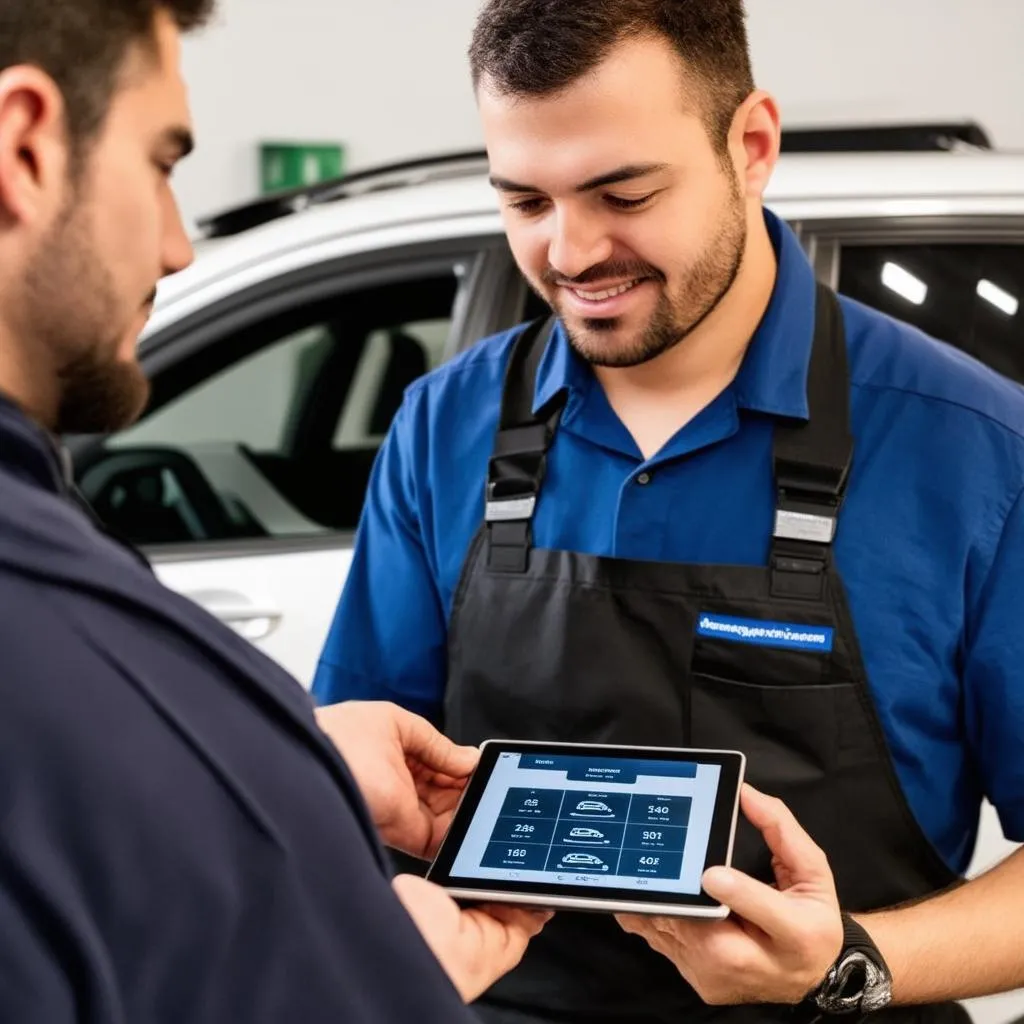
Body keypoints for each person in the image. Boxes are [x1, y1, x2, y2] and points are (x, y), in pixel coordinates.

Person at [312, 0, 1024, 1021]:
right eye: (525, 202)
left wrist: (851, 958)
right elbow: (358, 786)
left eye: (623, 192)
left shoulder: (973, 451)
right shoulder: (444, 426)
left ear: (751, 146)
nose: (571, 252)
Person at [0, 1, 551, 1020]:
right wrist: (387, 974)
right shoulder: (55, 653)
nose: (177, 247)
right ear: (26, 144)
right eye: (163, 163)